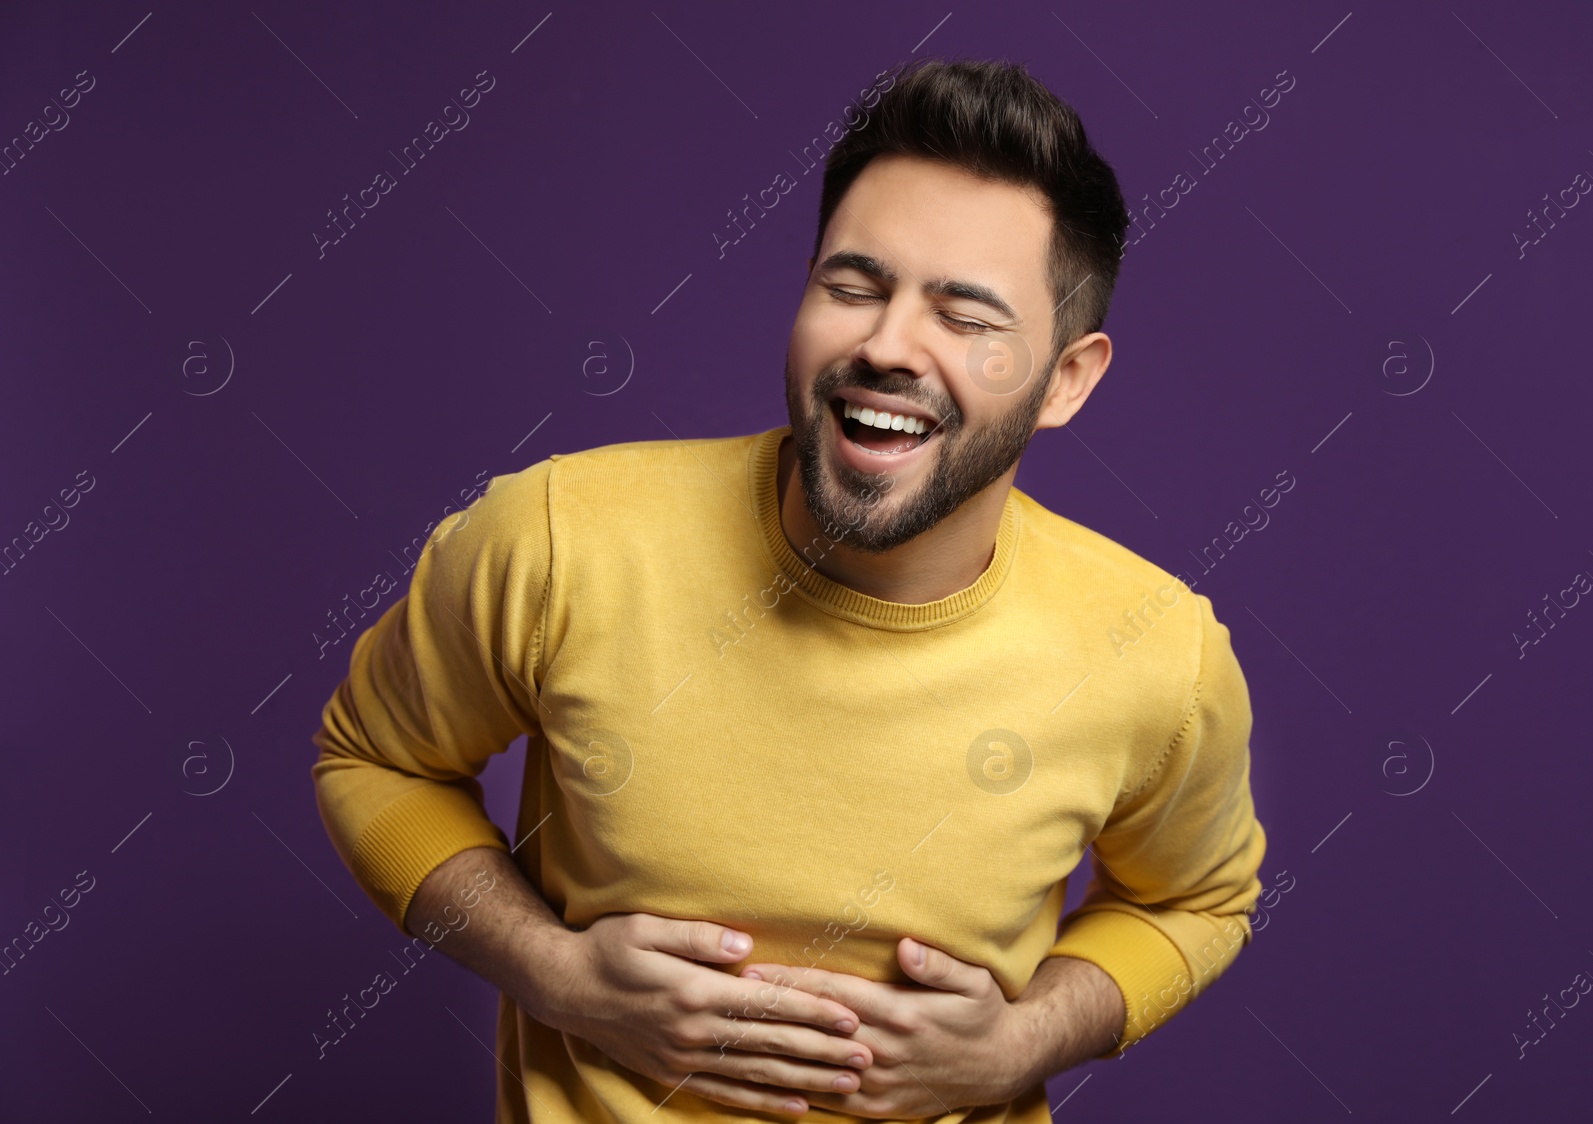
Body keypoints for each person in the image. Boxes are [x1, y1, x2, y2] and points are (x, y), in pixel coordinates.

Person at [310, 55, 1267, 1123]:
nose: (885, 345)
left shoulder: (1155, 651)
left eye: (966, 316)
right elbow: (374, 760)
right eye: (852, 285)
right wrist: (551, 969)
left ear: (1067, 378)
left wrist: (1021, 1039)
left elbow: (1199, 901)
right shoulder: (556, 539)